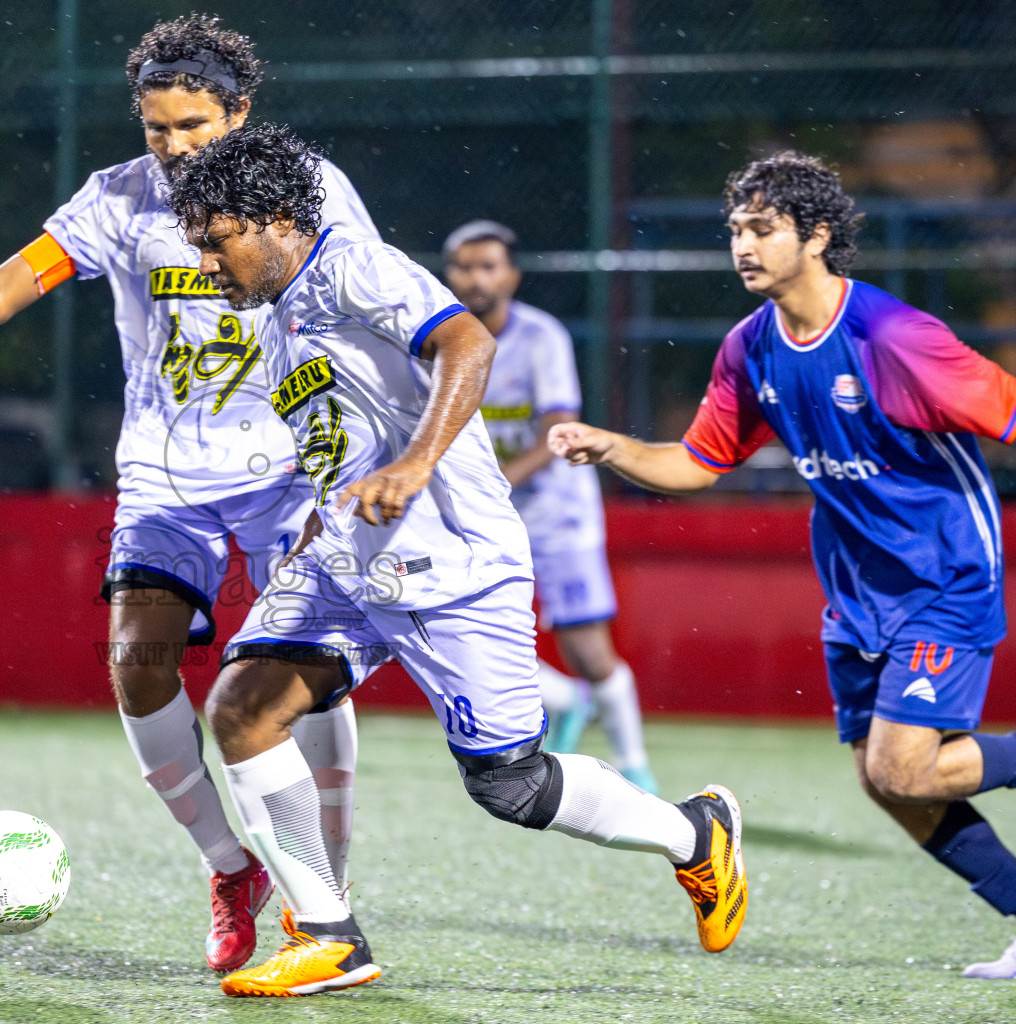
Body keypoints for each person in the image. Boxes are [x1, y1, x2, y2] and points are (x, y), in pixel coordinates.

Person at [168, 122, 748, 999]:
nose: (207, 267)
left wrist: (415, 464)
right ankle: (330, 936)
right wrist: (324, 519)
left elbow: (468, 343)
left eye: (215, 244)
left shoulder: (355, 265)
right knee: (244, 708)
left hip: (454, 566)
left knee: (510, 785)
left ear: (276, 217)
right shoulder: (278, 315)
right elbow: (345, 433)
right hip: (351, 565)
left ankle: (695, 834)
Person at [0, 16, 379, 972]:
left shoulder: (311, 192)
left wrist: (356, 446)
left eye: (194, 125)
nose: (176, 147)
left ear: (240, 112)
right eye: (157, 128)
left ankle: (325, 892)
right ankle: (231, 869)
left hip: (288, 473)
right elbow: (15, 283)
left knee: (303, 681)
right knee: (138, 664)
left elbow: (365, 306)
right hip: (165, 477)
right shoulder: (118, 201)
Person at [548, 151, 1016, 980]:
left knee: (904, 767)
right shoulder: (751, 347)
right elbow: (698, 463)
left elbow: (1007, 410)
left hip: (944, 581)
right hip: (858, 597)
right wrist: (613, 446)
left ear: (818, 235)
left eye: (762, 229)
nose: (743, 246)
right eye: (735, 229)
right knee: (889, 784)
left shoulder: (894, 338)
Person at [444, 220, 656, 793]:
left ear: (511, 275)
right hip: (484, 515)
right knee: (465, 630)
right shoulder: (441, 340)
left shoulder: (542, 338)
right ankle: (564, 702)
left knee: (589, 650)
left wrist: (500, 478)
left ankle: (635, 766)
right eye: (464, 265)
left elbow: (559, 429)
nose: (475, 277)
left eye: (488, 266)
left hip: (557, 514)